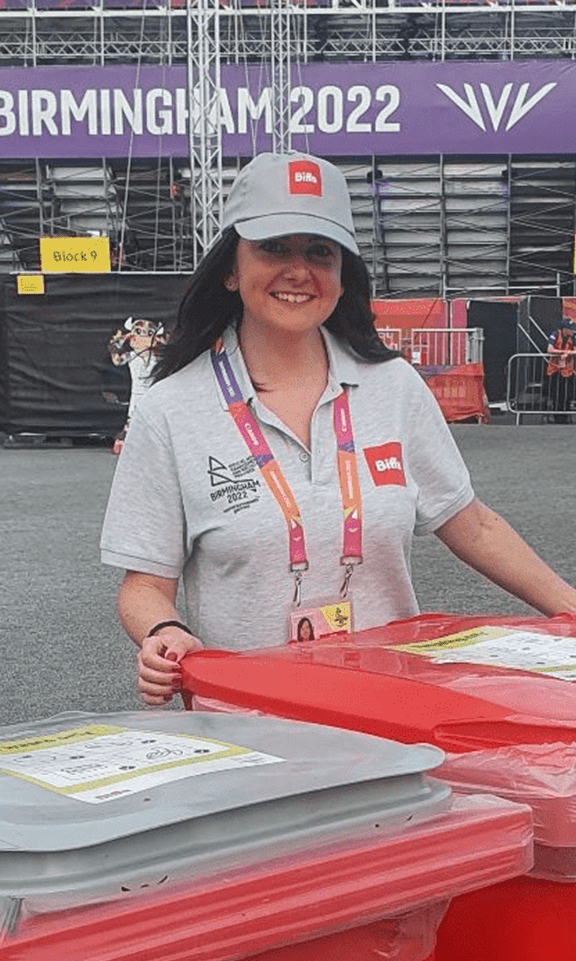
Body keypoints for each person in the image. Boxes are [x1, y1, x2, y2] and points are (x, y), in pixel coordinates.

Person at [100, 151, 576, 707]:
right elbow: (144, 585)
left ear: (342, 273)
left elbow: (471, 524)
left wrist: (569, 606)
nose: (299, 271)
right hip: (248, 720)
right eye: (274, 247)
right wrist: (164, 634)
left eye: (320, 252)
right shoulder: (171, 409)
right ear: (231, 267)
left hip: (390, 712)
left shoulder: (392, 386)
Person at [108, 317, 166, 454]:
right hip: (137, 395)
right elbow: (116, 357)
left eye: (148, 334)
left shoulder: (158, 356)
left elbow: (172, 348)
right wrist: (125, 336)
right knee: (132, 422)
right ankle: (122, 442)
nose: (142, 337)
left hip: (155, 394)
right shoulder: (132, 356)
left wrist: (159, 339)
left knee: (157, 422)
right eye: (138, 332)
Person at [545, 318, 576, 423]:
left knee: (568, 394)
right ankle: (557, 417)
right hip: (554, 370)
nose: (572, 331)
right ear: (565, 329)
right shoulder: (555, 334)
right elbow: (550, 349)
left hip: (567, 371)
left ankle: (566, 417)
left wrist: (567, 354)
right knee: (556, 395)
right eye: (571, 329)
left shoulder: (573, 337)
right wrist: (562, 352)